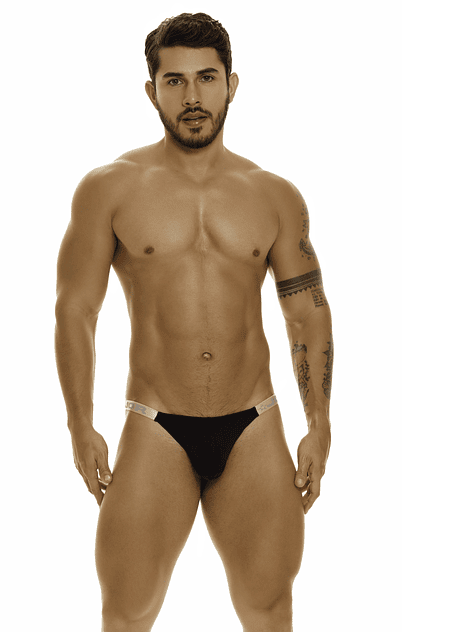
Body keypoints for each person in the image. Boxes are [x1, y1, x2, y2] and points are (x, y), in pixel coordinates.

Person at [55, 12, 333, 632]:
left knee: (269, 611)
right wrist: (79, 424)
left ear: (231, 84)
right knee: (126, 613)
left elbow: (306, 312)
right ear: (150, 90)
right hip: (156, 424)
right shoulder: (109, 189)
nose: (192, 97)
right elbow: (75, 310)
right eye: (174, 81)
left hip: (253, 422)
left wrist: (318, 424)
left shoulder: (274, 196)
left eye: (206, 78)